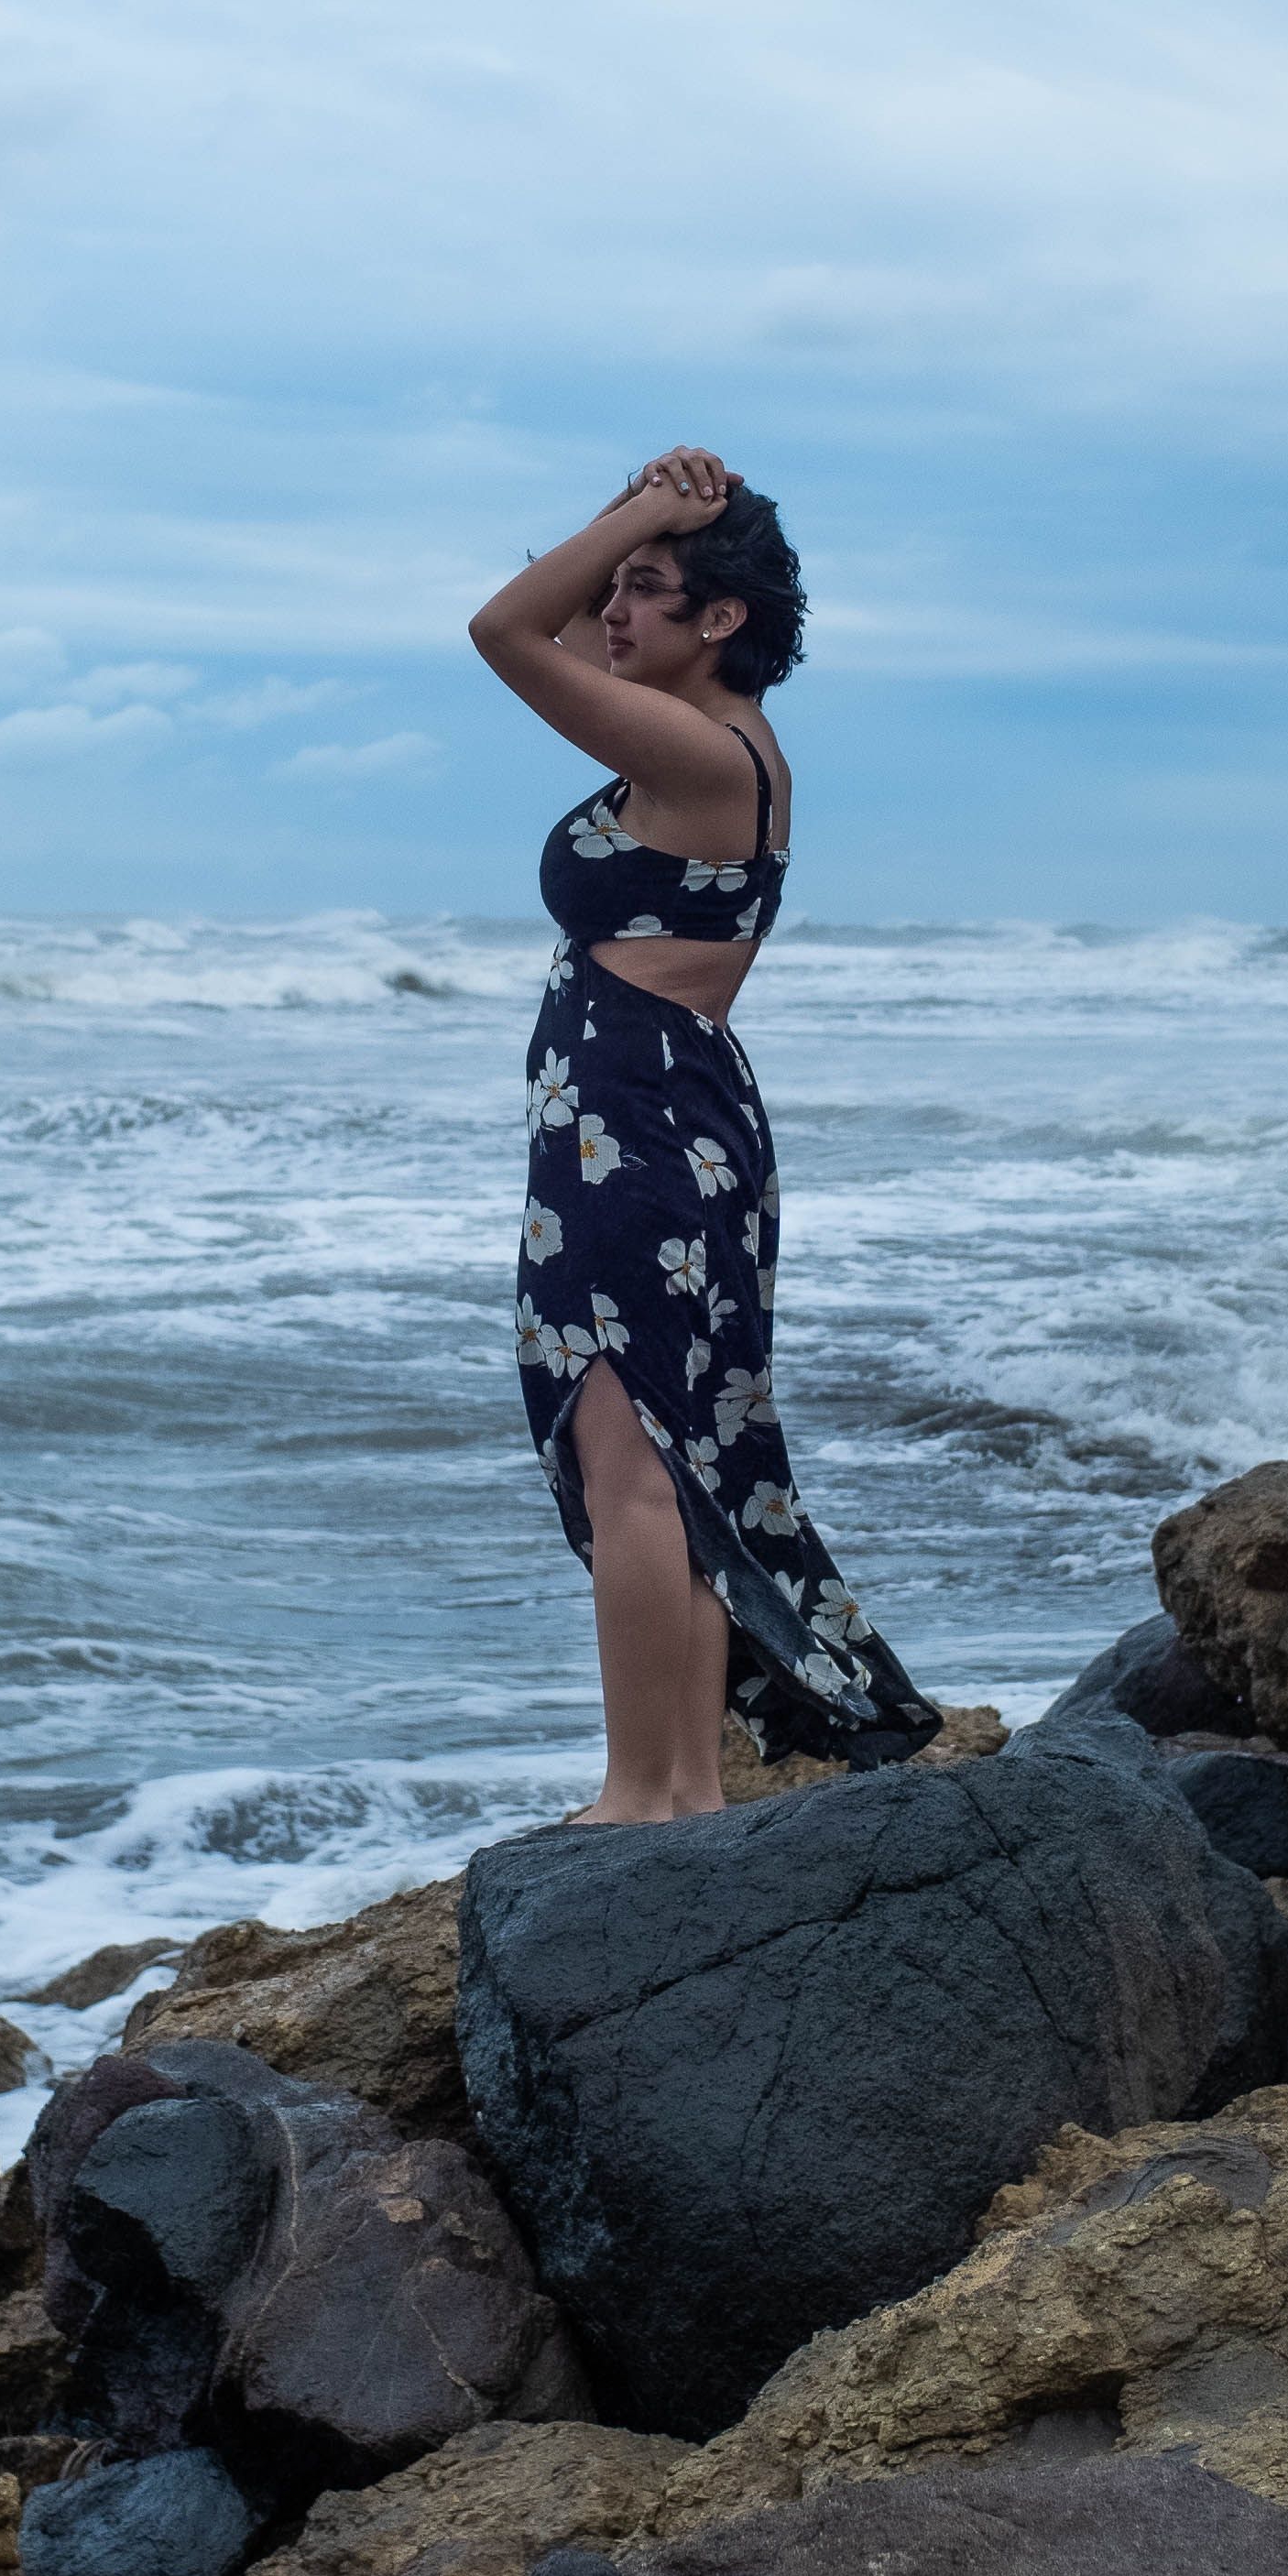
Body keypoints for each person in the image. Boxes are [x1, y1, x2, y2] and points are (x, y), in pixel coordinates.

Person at [469, 447, 936, 1822]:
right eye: (615, 589)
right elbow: (551, 626)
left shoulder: (697, 749)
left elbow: (504, 632)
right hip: (651, 1126)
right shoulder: (698, 738)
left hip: (640, 1137)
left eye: (650, 591)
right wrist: (638, 527)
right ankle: (675, 1785)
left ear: (722, 619)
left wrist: (645, 512)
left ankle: (644, 1787)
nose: (611, 613)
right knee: (665, 1456)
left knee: (632, 1464)